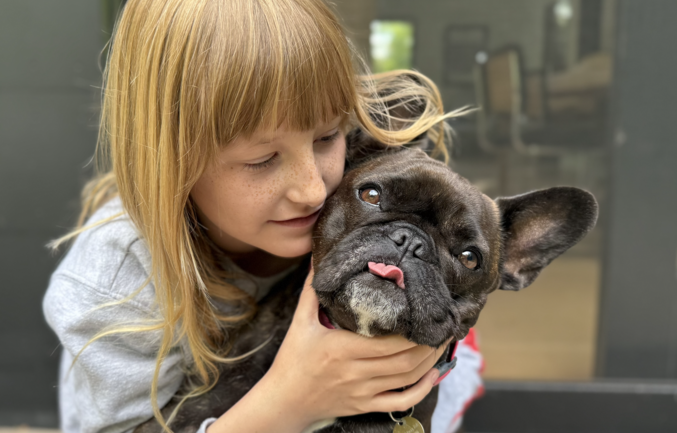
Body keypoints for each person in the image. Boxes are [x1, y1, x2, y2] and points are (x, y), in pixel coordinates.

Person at [43, 1, 484, 432]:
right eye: (262, 159)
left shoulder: (357, 193)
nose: (313, 190)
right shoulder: (115, 282)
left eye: (327, 137)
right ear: (169, 160)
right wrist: (293, 398)